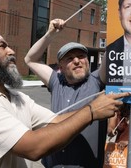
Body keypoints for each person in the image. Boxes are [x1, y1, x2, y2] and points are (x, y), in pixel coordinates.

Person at [0, 30, 131, 168]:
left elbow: (56, 121)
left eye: (81, 56)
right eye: (2, 46)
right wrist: (91, 111)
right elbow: (33, 148)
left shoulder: (18, 98)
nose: (11, 50)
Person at [24, 19, 107, 167]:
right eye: (69, 58)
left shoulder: (96, 80)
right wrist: (50, 34)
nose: (77, 61)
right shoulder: (56, 81)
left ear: (87, 61)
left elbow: (113, 53)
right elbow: (30, 59)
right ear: (60, 66)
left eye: (81, 56)